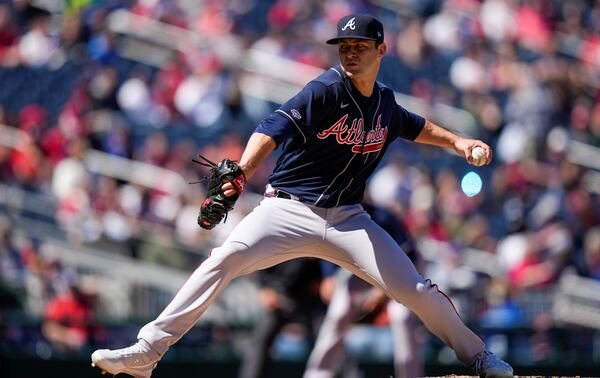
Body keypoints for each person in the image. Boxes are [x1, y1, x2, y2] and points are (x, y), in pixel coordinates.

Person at [90, 14, 513, 378]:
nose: (350, 52)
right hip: (287, 209)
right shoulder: (324, 90)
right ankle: (147, 352)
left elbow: (414, 125)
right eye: (343, 45)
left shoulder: (384, 102)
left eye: (360, 45)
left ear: (381, 50)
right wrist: (242, 171)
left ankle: (477, 356)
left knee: (416, 290)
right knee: (223, 260)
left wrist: (458, 142)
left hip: (349, 219)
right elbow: (271, 126)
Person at [304, 203, 423, 378]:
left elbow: (410, 254)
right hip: (357, 276)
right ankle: (317, 375)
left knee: (402, 317)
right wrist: (328, 275)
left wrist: (383, 292)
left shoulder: (383, 216)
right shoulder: (337, 213)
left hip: (395, 278)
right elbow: (325, 244)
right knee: (338, 313)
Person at [238, 258, 325, 378]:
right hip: (279, 295)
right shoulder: (271, 242)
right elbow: (258, 262)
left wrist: (324, 278)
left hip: (308, 293)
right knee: (259, 342)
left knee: (327, 340)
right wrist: (265, 288)